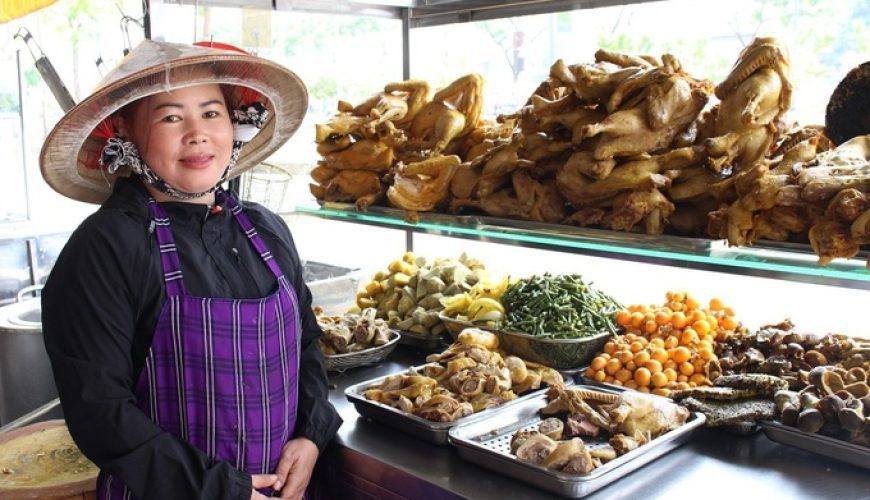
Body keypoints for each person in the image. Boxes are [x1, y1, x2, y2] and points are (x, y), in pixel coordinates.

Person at [39, 39, 341, 500]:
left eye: (211, 113)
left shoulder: (267, 229)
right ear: (127, 132)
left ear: (234, 123)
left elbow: (305, 344)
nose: (197, 134)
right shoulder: (104, 249)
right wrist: (221, 490)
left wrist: (311, 433)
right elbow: (99, 412)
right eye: (171, 117)